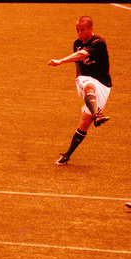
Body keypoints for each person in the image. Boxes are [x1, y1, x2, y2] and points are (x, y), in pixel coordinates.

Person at [48, 16, 112, 166]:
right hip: (85, 79)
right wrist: (78, 79)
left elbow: (82, 55)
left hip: (103, 85)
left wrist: (60, 61)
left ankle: (67, 155)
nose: (79, 33)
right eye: (77, 30)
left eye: (82, 30)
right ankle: (98, 114)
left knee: (84, 122)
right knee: (89, 85)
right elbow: (78, 62)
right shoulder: (76, 43)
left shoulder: (98, 43)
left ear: (91, 29)